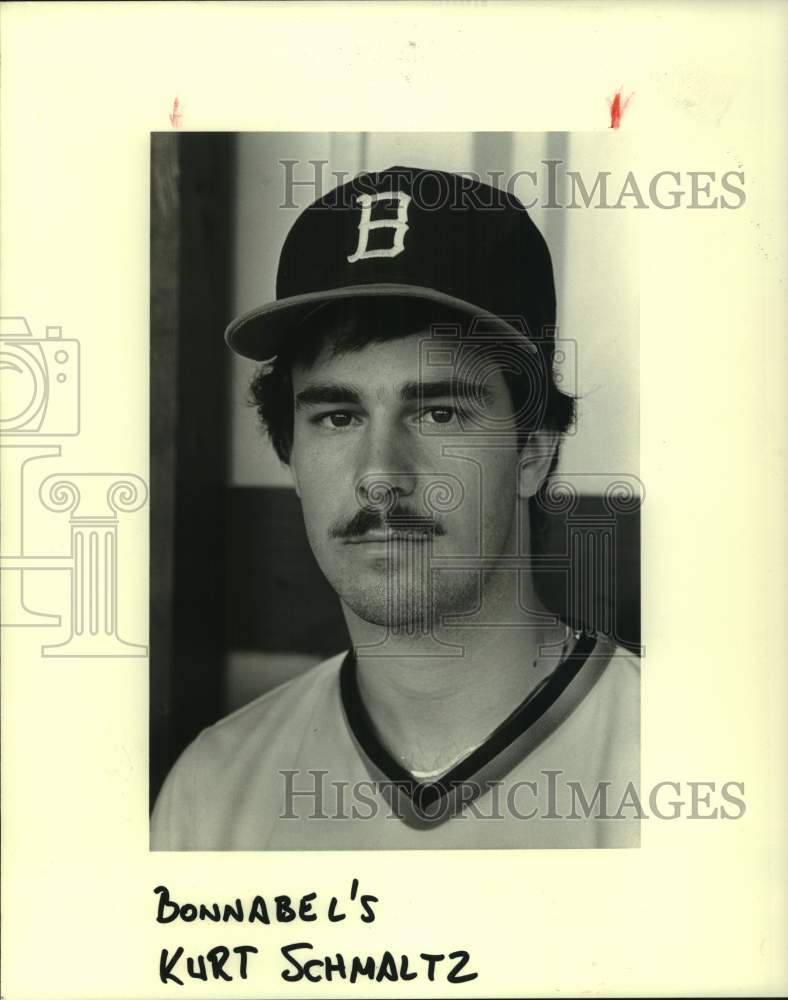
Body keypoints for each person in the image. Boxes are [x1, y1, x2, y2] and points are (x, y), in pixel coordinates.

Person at [151, 165, 640, 850]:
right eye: (337, 417)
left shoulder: (680, 761)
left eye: (439, 412)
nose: (380, 476)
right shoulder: (212, 787)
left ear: (532, 451)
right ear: (291, 453)